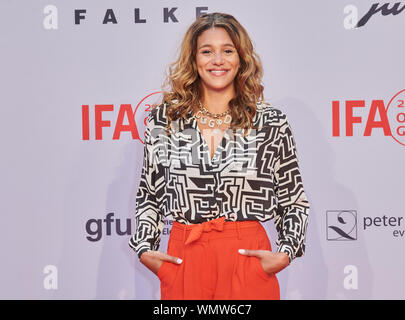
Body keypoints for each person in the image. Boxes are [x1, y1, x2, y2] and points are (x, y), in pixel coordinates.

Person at [129, 12, 310, 300]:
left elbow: (293, 199)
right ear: (193, 59)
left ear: (241, 59)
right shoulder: (165, 120)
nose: (218, 60)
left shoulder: (269, 122)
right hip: (185, 257)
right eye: (207, 51)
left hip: (247, 257)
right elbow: (149, 194)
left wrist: (287, 251)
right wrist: (145, 249)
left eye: (227, 50)